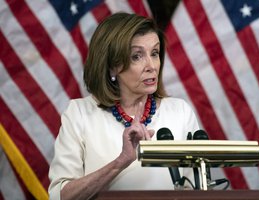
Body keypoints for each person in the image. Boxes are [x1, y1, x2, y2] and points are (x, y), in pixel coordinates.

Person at [48, 12, 200, 200]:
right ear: (112, 66)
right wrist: (121, 161)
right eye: (137, 56)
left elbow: (196, 189)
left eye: (154, 53)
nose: (151, 65)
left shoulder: (180, 112)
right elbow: (59, 196)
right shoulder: (79, 114)